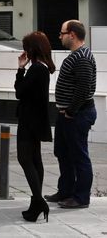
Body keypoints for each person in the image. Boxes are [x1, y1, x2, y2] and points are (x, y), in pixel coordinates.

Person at [45, 20, 97, 209]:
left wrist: (71, 111)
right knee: (63, 153)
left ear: (72, 34)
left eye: (62, 33)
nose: (60, 36)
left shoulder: (82, 57)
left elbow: (83, 89)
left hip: (77, 115)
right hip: (68, 114)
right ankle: (65, 191)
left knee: (79, 156)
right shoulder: (77, 55)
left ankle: (81, 197)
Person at [15, 31, 54, 222]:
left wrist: (20, 68)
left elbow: (19, 92)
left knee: (25, 159)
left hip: (29, 122)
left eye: (26, 48)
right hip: (36, 121)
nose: (25, 52)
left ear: (32, 49)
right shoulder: (43, 67)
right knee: (35, 160)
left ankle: (38, 201)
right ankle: (35, 203)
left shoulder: (37, 69)